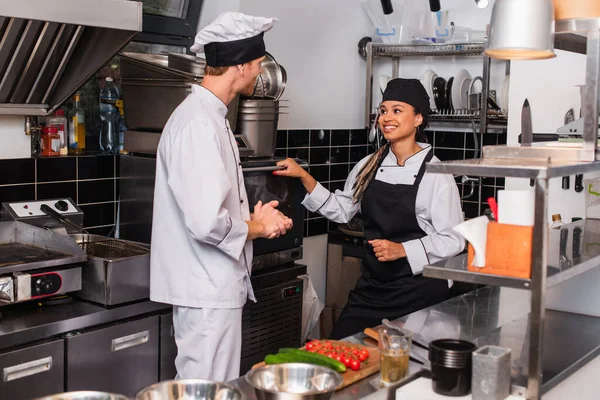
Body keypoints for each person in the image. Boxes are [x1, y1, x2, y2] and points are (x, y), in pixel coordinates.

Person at [150, 12, 292, 381]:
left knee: (213, 387)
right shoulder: (198, 123)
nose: (259, 74)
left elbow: (213, 204)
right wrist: (256, 228)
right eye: (258, 65)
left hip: (212, 287)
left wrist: (255, 217)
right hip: (205, 290)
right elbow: (204, 221)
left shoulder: (211, 117)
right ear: (241, 65)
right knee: (207, 389)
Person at [275, 78, 465, 340]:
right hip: (373, 287)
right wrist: (304, 178)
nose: (387, 117)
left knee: (404, 366)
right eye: (383, 110)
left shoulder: (436, 172)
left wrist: (402, 249)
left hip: (418, 292)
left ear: (418, 118)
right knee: (342, 346)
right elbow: (342, 210)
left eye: (397, 110)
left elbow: (454, 239)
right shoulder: (370, 164)